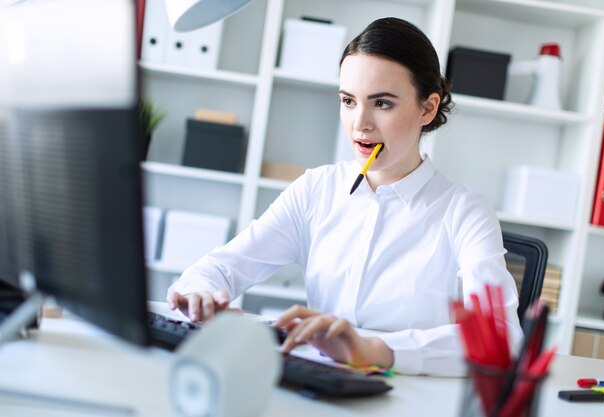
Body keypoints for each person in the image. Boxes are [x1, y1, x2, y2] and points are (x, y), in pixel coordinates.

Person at [167, 17, 523, 376]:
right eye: (349, 101)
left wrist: (375, 349)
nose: (360, 123)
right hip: (323, 385)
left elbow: (501, 339)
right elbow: (220, 267)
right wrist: (202, 292)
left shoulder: (464, 210)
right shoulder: (316, 190)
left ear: (427, 109)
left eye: (382, 103)